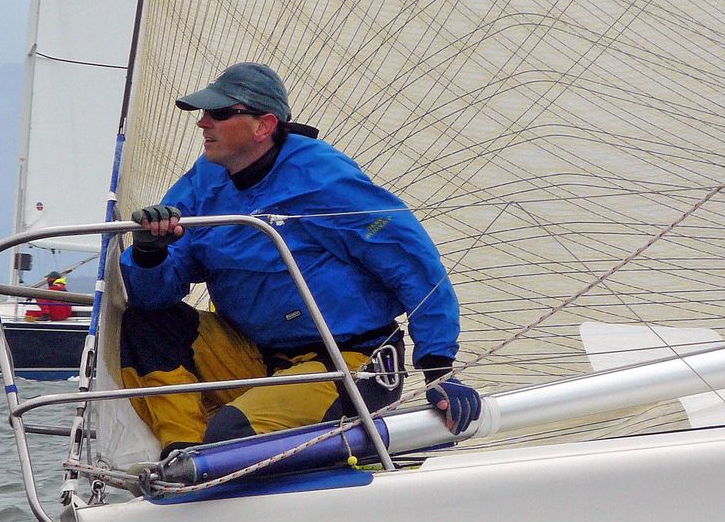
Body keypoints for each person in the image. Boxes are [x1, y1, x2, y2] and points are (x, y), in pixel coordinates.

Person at [119, 62, 481, 458]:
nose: (203, 122)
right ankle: (182, 453)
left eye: (219, 113)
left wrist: (438, 369)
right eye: (203, 112)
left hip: (349, 361)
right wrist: (149, 253)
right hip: (258, 357)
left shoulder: (324, 179)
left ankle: (209, 462)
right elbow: (154, 296)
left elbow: (413, 265)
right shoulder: (205, 180)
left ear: (264, 125)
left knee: (231, 436)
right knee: (145, 320)